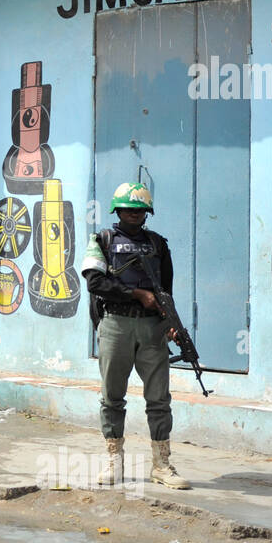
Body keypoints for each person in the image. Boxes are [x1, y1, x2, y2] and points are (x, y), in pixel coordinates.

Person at [82, 182, 190, 489]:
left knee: (159, 399)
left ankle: (162, 464)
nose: (134, 214)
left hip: (152, 328)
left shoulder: (158, 244)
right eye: (129, 209)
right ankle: (114, 461)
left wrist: (171, 323)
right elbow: (94, 283)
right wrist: (135, 294)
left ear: (147, 213)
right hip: (116, 324)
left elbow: (165, 291)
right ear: (118, 210)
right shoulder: (102, 240)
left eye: (140, 210)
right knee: (112, 397)